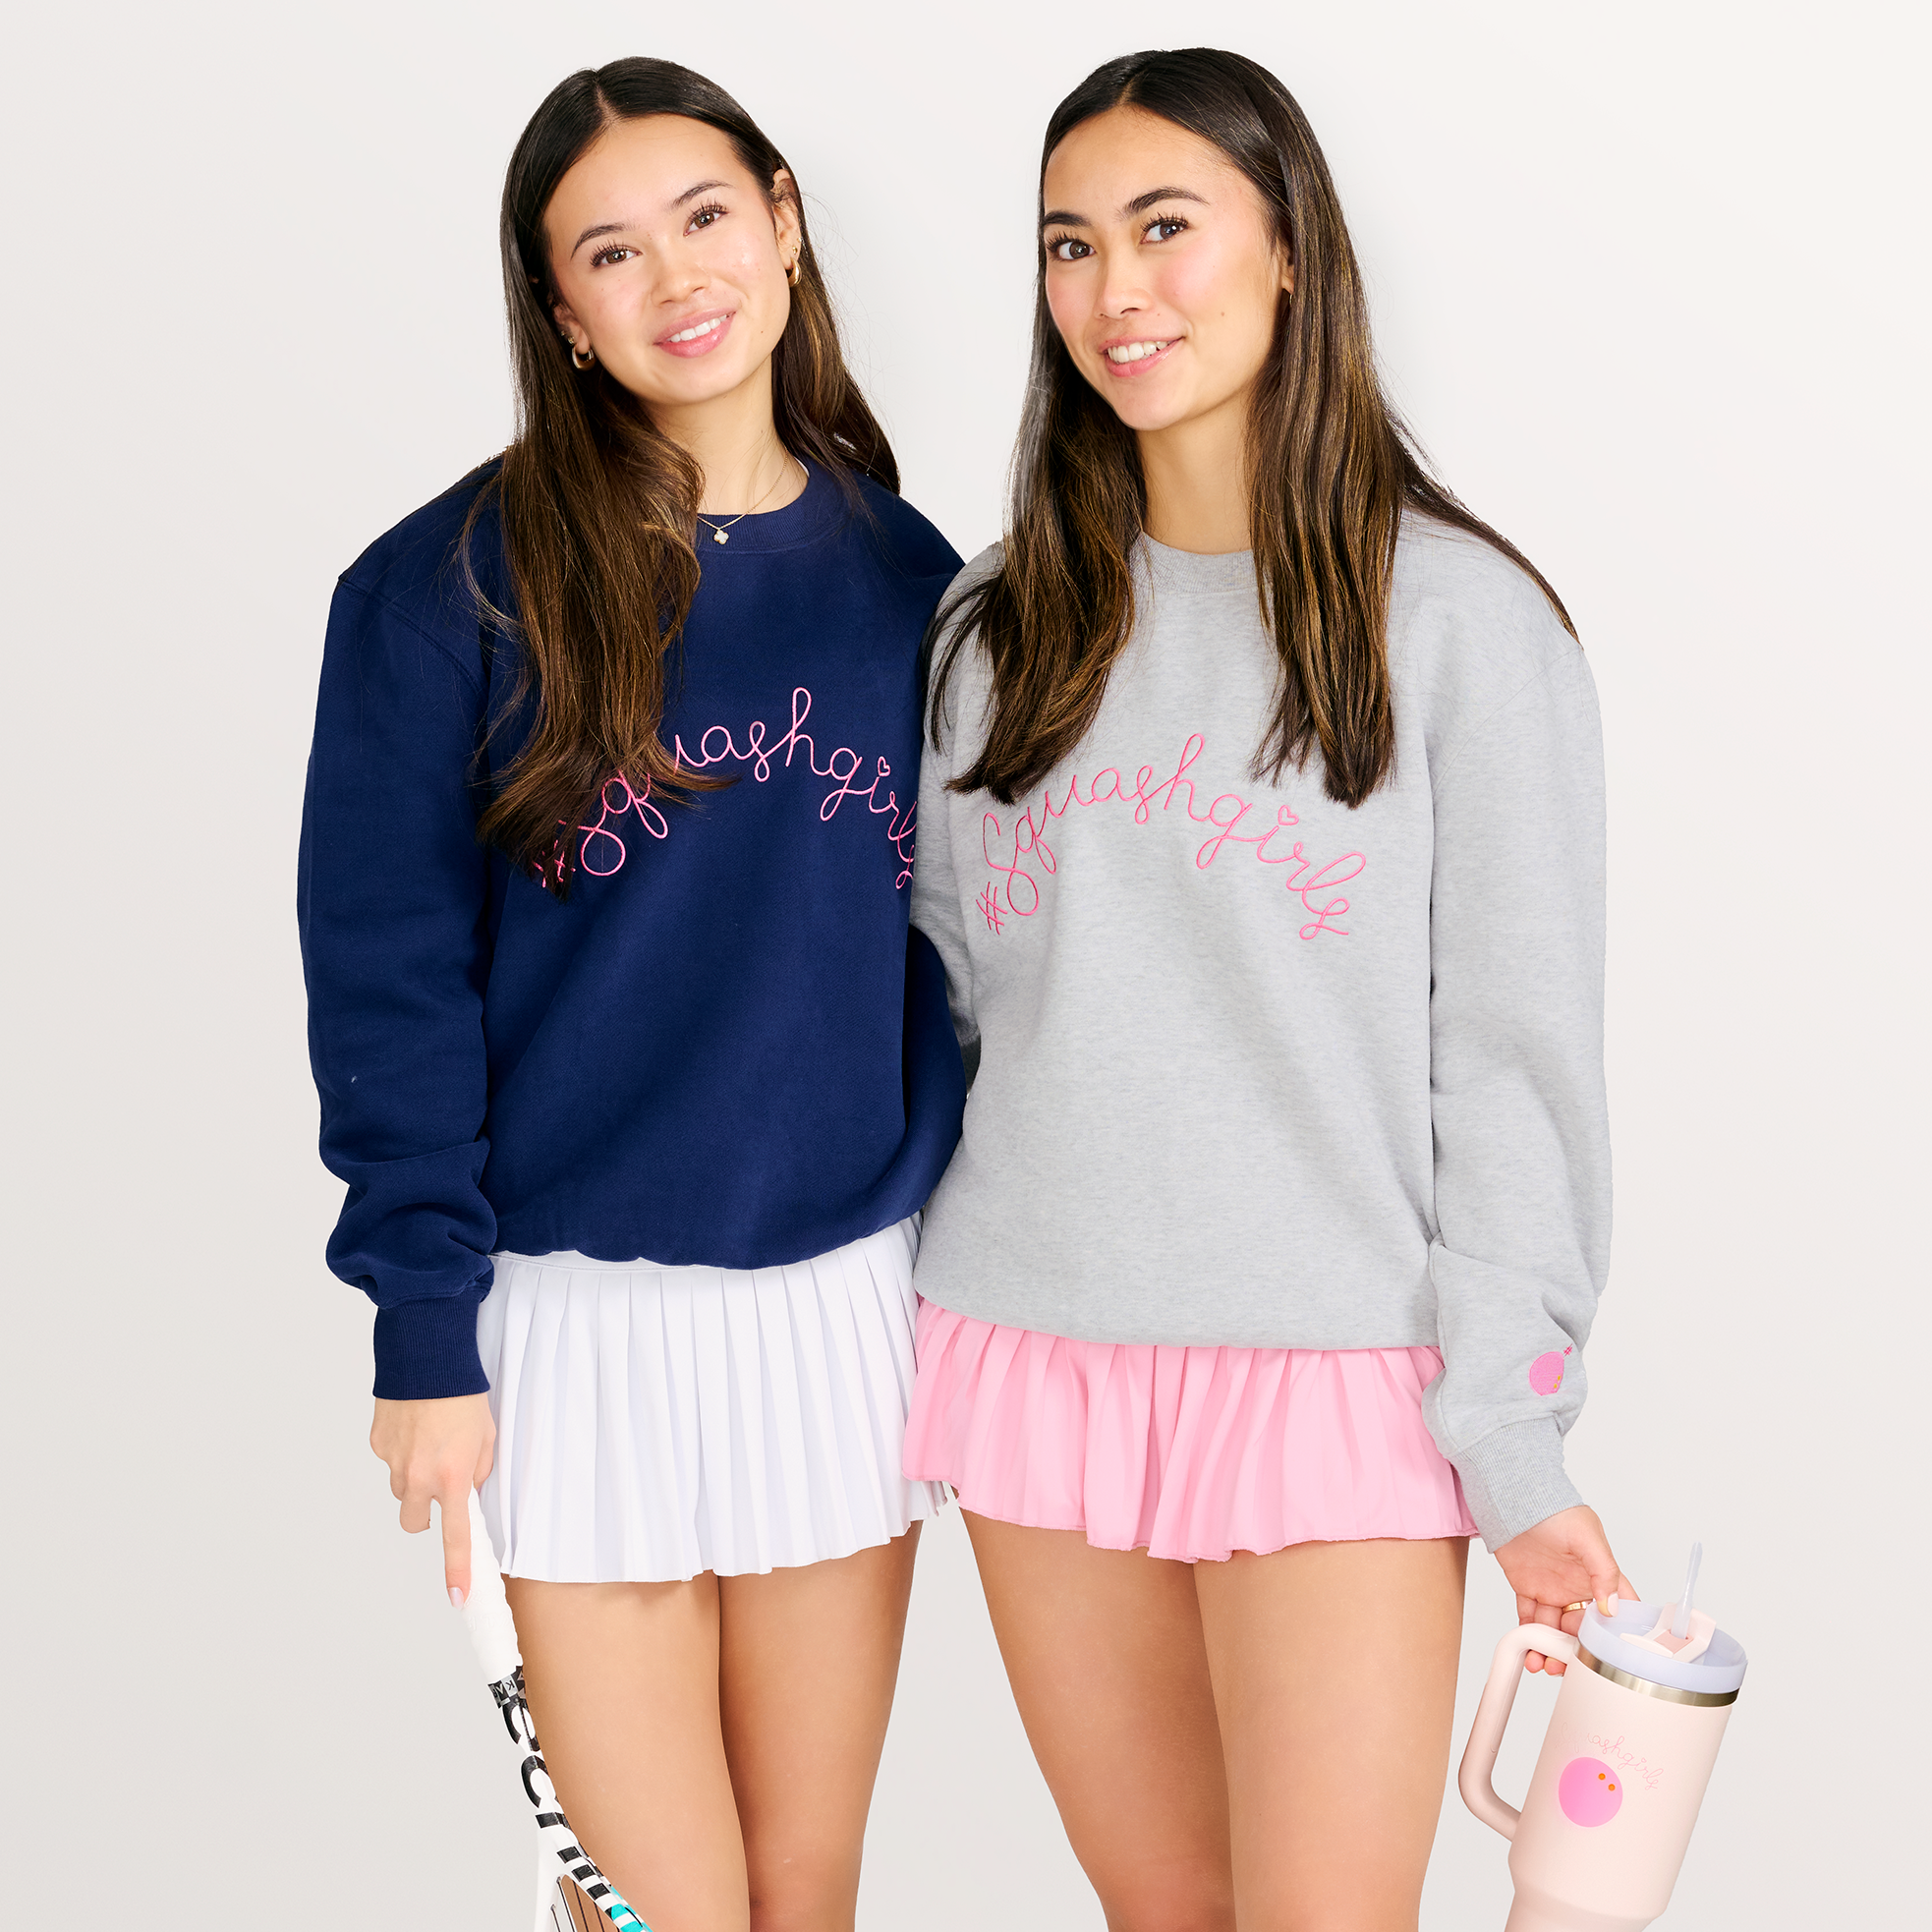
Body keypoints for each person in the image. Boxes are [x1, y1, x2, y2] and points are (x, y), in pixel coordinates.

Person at [903, 47, 1634, 1932]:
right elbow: (960, 1004)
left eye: (1165, 227)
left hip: (1338, 1370)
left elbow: (1513, 1065)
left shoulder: (1462, 624)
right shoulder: (997, 633)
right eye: (1069, 244)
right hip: (1032, 1350)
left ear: (1291, 247)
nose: (1113, 289)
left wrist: (1511, 1431)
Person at [298, 58, 963, 1932]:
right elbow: (386, 974)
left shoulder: (915, 583)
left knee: (804, 1892)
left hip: (840, 1307)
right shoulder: (443, 590)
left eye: (702, 216)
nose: (675, 275)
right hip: (566, 1319)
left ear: (781, 221)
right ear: (562, 315)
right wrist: (422, 1325)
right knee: (649, 1910)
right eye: (608, 250)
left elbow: (965, 961)